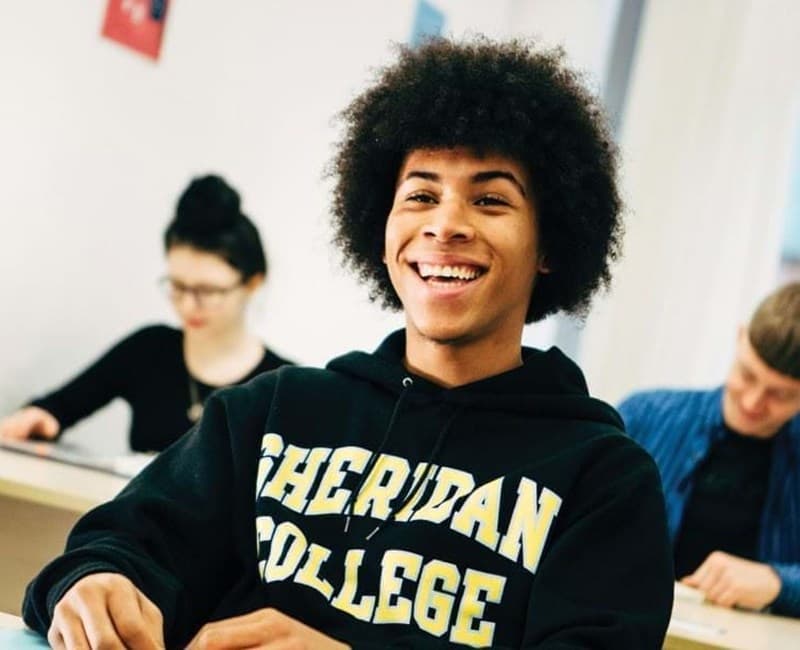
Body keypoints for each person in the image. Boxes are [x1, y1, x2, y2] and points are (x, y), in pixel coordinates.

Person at [23, 38, 673, 649]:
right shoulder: (271, 411)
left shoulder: (604, 480)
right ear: (380, 225)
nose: (445, 225)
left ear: (552, 245)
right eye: (420, 194)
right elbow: (123, 543)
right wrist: (97, 583)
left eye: (491, 201)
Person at [0, 174, 293, 453]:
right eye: (178, 287)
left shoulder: (283, 385)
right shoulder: (150, 349)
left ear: (253, 283)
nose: (188, 305)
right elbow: (59, 407)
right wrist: (41, 416)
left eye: (208, 292)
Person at [619, 283, 800, 616]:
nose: (752, 402)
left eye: (781, 395)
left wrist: (779, 583)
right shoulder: (644, 416)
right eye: (747, 374)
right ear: (740, 338)